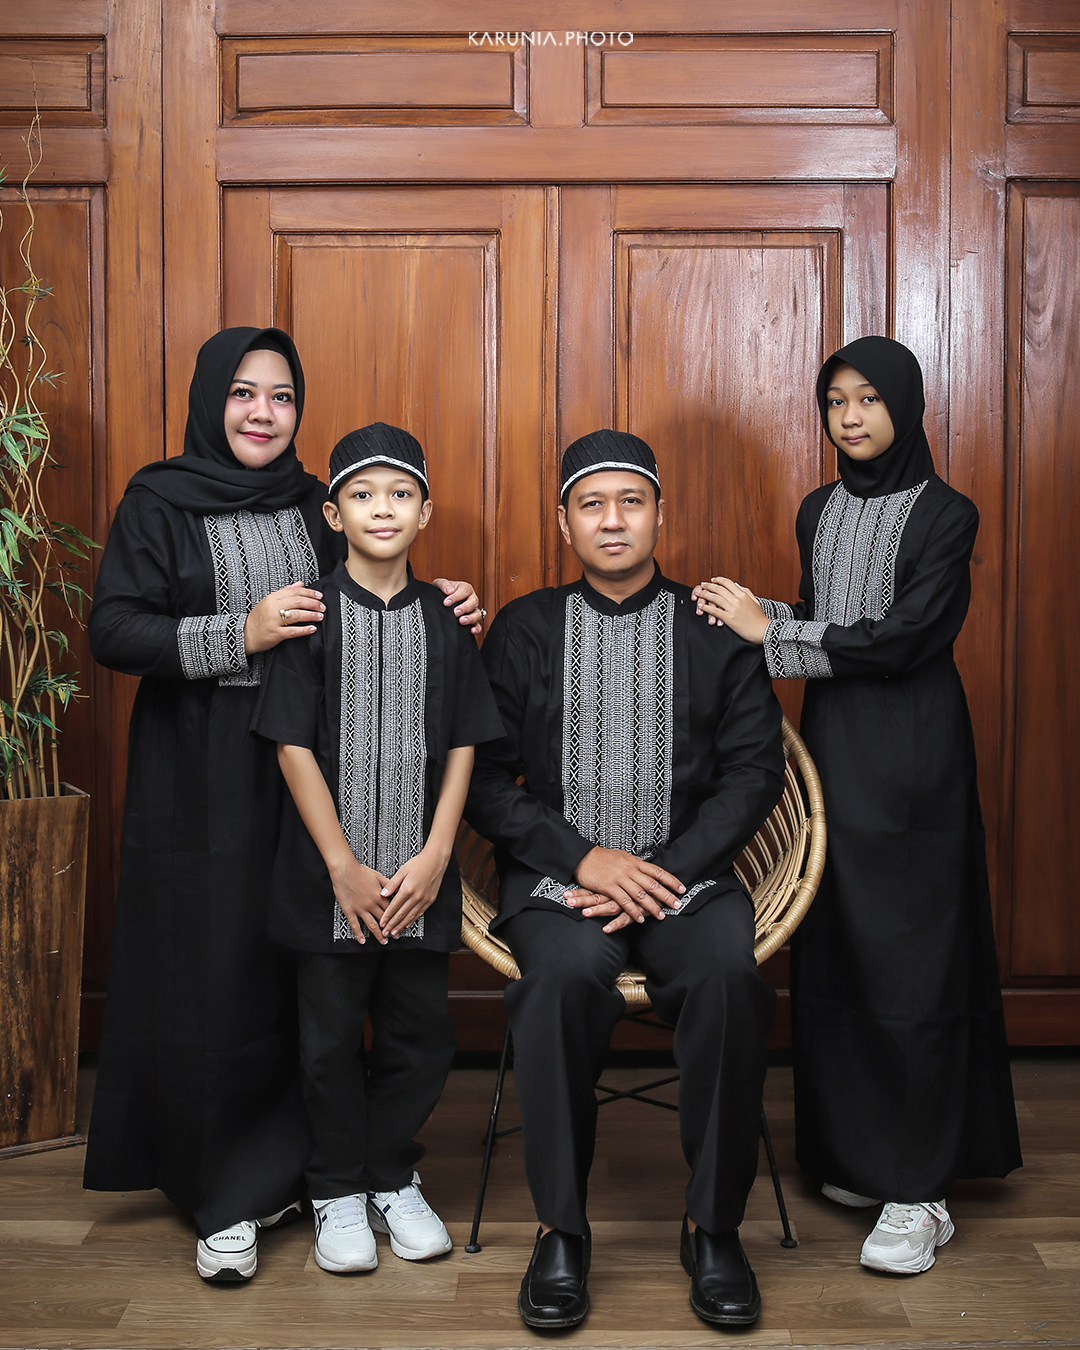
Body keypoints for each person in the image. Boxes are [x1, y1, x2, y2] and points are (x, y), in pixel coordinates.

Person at [83, 331, 483, 1283]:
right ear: (211, 400)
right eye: (243, 394)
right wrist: (242, 629)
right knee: (218, 977)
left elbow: (377, 578)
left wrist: (450, 600)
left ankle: (324, 1173)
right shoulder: (160, 498)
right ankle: (223, 1192)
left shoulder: (318, 501)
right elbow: (112, 627)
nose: (263, 413)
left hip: (318, 778)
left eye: (282, 396)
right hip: (204, 779)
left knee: (304, 987)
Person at [693, 336, 1021, 1276]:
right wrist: (752, 620)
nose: (851, 417)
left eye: (870, 399)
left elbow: (908, 638)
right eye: (835, 401)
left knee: (913, 954)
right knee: (837, 943)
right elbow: (820, 621)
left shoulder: (947, 513)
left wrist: (774, 630)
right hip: (833, 742)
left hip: (914, 750)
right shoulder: (816, 508)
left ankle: (918, 1189)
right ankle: (853, 1155)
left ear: (907, 408)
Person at [465, 429, 785, 1331]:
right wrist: (584, 860)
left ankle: (712, 1226)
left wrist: (665, 870)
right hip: (560, 882)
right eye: (592, 504)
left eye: (632, 502)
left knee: (728, 978)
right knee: (561, 979)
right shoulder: (526, 628)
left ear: (659, 515)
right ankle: (560, 1228)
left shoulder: (712, 627)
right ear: (562, 520)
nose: (613, 520)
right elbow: (485, 777)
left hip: (690, 880)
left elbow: (755, 772)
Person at [251, 423, 503, 1275]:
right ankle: (335, 1190)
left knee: (418, 1038)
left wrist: (438, 857)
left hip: (419, 883)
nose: (382, 508)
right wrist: (342, 867)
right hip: (333, 881)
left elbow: (467, 741)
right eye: (362, 494)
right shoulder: (313, 617)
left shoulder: (447, 617)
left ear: (426, 511)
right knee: (327, 1044)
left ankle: (392, 1173)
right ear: (334, 512)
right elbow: (292, 746)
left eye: (400, 494)